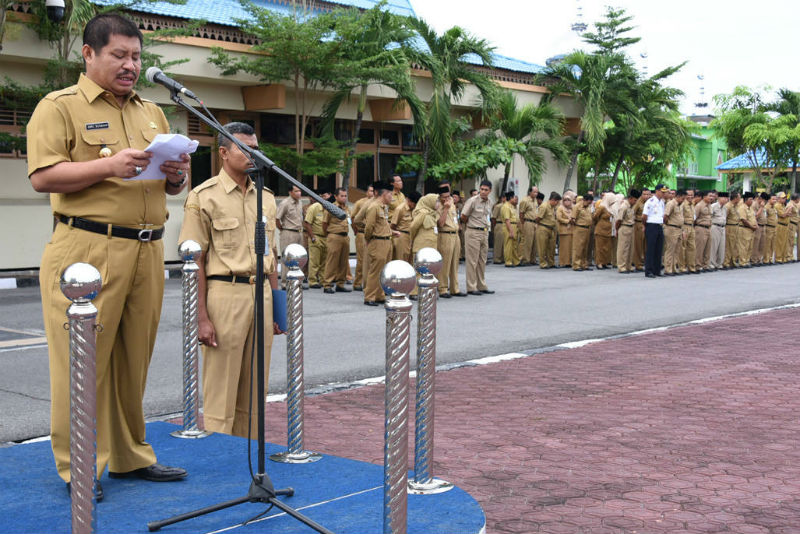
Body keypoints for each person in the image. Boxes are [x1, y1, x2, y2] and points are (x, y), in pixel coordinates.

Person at [27, 13, 190, 493]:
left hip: (146, 250)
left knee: (132, 359)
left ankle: (129, 455)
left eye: (137, 56)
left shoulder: (152, 112)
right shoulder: (59, 107)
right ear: (89, 54)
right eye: (119, 55)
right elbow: (43, 177)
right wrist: (110, 167)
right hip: (86, 247)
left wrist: (176, 175)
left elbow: (165, 180)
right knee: (82, 362)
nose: (131, 65)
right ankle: (79, 468)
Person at [179, 121, 282, 439]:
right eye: (245, 147)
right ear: (223, 153)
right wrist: (200, 317)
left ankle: (249, 454)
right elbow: (193, 261)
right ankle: (218, 455)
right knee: (221, 387)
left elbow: (272, 258)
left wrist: (278, 310)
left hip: (261, 294)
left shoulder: (266, 197)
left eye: (256, 147)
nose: (254, 153)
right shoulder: (203, 197)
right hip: (225, 294)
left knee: (255, 386)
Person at [363, 181, 396, 306]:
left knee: (383, 271)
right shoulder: (374, 207)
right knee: (375, 270)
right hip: (377, 241)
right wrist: (368, 239)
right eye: (390, 195)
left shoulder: (383, 207)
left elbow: (382, 225)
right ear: (384, 194)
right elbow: (369, 226)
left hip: (386, 240)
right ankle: (369, 296)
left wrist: (392, 232)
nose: (391, 198)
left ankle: (379, 295)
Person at [461, 180, 494, 295]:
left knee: (482, 261)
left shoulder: (489, 202)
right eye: (482, 189)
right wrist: (471, 226)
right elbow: (464, 216)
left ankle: (481, 285)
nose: (483, 192)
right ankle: (471, 287)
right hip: (473, 232)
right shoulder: (472, 201)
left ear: (490, 191)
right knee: (472, 261)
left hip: (485, 232)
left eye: (486, 190)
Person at [436, 182, 464, 297]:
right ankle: (442, 288)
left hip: (455, 234)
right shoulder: (437, 205)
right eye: (445, 197)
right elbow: (440, 224)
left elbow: (455, 218)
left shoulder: (452, 203)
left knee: (455, 263)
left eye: (449, 196)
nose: (448, 199)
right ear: (440, 197)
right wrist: (445, 209)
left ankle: (454, 288)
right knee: (445, 263)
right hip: (445, 234)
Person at [322, 187, 352, 293]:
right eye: (342, 196)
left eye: (345, 196)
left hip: (345, 236)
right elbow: (324, 224)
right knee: (332, 261)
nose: (344, 198)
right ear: (335, 196)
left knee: (343, 261)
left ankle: (340, 283)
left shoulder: (346, 208)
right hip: (334, 236)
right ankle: (327, 284)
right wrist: (329, 235)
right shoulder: (331, 208)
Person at [276, 185, 304, 288]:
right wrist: (283, 230)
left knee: (298, 258)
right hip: (288, 232)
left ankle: (295, 281)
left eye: (300, 191)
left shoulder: (300, 202)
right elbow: (277, 219)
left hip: (299, 232)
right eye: (296, 191)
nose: (299, 193)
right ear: (290, 192)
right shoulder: (285, 203)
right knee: (287, 258)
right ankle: (285, 283)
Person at [350, 184, 374, 290]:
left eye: (373, 191)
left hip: (374, 235)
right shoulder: (360, 203)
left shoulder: (378, 203)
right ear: (366, 192)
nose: (372, 193)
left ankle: (369, 282)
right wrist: (356, 231)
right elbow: (353, 217)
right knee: (361, 260)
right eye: (370, 191)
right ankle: (357, 282)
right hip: (362, 233)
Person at [303, 191, 329, 287]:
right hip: (316, 236)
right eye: (324, 197)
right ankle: (312, 281)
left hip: (326, 237)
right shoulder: (314, 208)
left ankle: (322, 280)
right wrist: (313, 237)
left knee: (324, 261)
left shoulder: (329, 208)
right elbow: (307, 223)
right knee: (314, 261)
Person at [642, 184, 666, 278]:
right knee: (651, 249)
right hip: (651, 225)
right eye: (662, 192)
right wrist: (646, 225)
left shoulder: (662, 202)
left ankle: (657, 270)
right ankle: (649, 271)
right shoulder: (650, 201)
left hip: (659, 226)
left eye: (664, 192)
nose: (663, 193)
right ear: (657, 191)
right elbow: (644, 216)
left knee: (659, 249)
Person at [391, 190, 418, 263]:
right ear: (409, 200)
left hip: (411, 237)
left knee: (410, 261)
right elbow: (393, 225)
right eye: (414, 204)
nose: (415, 206)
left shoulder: (414, 209)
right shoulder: (400, 209)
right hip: (401, 237)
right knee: (401, 261)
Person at [616, 189, 639, 274]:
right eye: (634, 200)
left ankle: (628, 265)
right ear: (630, 198)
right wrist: (617, 230)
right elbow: (618, 220)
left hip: (631, 227)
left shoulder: (631, 206)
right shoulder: (624, 206)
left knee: (630, 248)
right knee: (623, 248)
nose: (635, 202)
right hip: (624, 227)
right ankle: (621, 266)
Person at [663, 189, 685, 276]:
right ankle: (667, 269)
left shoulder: (681, 205)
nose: (683, 200)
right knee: (670, 249)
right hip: (671, 228)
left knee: (677, 249)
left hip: (679, 229)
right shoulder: (671, 203)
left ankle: (673, 268)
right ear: (678, 196)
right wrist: (668, 225)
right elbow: (665, 216)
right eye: (682, 198)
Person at [535, 192, 559, 268]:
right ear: (553, 200)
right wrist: (541, 225)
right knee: (542, 247)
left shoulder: (552, 207)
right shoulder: (544, 206)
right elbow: (538, 218)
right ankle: (542, 263)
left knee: (551, 247)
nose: (557, 204)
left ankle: (551, 263)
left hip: (551, 229)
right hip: (543, 228)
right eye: (557, 202)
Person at [571, 194, 593, 271]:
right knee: (578, 248)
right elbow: (573, 219)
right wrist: (576, 227)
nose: (589, 204)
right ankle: (576, 265)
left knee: (585, 248)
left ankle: (584, 264)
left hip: (587, 229)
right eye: (588, 202)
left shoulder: (589, 207)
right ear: (584, 200)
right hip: (579, 228)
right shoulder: (577, 207)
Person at [518, 186, 539, 265]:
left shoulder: (535, 201)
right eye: (534, 192)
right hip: (528, 222)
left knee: (534, 242)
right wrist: (523, 224)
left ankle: (532, 259)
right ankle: (525, 259)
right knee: (527, 241)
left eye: (537, 192)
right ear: (530, 192)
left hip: (535, 223)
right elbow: (521, 214)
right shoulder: (525, 201)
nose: (536, 194)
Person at [593, 193, 614, 269]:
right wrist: (599, 223)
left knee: (606, 248)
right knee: (600, 247)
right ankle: (599, 263)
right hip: (601, 230)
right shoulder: (602, 207)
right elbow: (595, 217)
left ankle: (604, 262)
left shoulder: (610, 208)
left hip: (608, 230)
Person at [678, 189, 697, 274]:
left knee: (692, 247)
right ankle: (682, 267)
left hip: (691, 227)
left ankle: (691, 267)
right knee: (683, 248)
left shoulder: (692, 204)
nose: (690, 197)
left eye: (692, 195)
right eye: (688, 195)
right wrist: (682, 229)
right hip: (684, 226)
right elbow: (680, 216)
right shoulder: (682, 204)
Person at [500, 191, 521, 267]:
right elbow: (507, 220)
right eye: (514, 198)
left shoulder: (511, 206)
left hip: (514, 226)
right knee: (508, 245)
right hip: (508, 226)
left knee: (514, 245)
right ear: (510, 198)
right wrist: (511, 231)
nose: (515, 199)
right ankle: (508, 262)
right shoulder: (506, 206)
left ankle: (516, 261)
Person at [694, 190, 713, 272]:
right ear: (704, 197)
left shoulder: (710, 206)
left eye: (712, 196)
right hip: (700, 228)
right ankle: (698, 265)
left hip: (708, 228)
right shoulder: (699, 206)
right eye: (709, 196)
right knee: (700, 248)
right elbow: (694, 218)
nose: (711, 198)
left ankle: (706, 265)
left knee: (707, 248)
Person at [632, 189, 650, 271]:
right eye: (644, 194)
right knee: (638, 245)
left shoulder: (650, 202)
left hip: (648, 224)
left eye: (647, 194)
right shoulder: (638, 203)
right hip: (638, 224)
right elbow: (632, 213)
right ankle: (638, 264)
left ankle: (646, 263)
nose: (646, 196)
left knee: (646, 246)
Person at [723, 191, 741, 269]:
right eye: (739, 197)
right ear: (736, 198)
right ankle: (726, 262)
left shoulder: (736, 206)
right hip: (730, 227)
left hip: (736, 227)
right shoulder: (728, 206)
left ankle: (732, 261)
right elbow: (725, 217)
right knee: (729, 245)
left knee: (734, 245)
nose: (740, 199)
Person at [710, 191, 728, 270]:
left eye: (727, 198)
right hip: (715, 226)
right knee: (714, 246)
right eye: (725, 198)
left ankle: (719, 263)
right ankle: (711, 264)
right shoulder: (713, 206)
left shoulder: (725, 208)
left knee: (722, 246)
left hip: (723, 227)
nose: (726, 200)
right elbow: (709, 216)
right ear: (719, 198)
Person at [556, 194, 574, 268]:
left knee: (570, 247)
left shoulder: (572, 208)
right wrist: (567, 221)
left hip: (571, 230)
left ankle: (569, 262)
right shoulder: (560, 208)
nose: (567, 202)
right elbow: (559, 218)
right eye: (565, 200)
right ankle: (562, 262)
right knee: (564, 247)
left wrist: (572, 220)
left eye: (569, 200)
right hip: (563, 230)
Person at [750, 193, 767, 266]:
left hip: (763, 226)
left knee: (762, 244)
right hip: (757, 225)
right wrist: (761, 207)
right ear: (760, 199)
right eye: (764, 200)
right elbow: (755, 216)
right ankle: (754, 259)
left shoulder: (763, 205)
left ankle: (759, 259)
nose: (765, 202)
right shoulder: (755, 205)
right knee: (756, 244)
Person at [763, 194, 778, 264]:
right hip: (769, 227)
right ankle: (766, 259)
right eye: (773, 199)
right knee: (767, 244)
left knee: (773, 244)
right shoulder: (766, 208)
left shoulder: (774, 208)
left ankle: (770, 259)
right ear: (769, 200)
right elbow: (765, 217)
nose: (775, 200)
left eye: (775, 199)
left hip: (774, 227)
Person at [491, 197, 505, 264]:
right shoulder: (498, 206)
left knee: (504, 242)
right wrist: (494, 227)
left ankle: (503, 258)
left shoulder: (509, 206)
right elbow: (493, 218)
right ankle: (497, 259)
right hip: (499, 224)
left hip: (506, 225)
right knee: (498, 243)